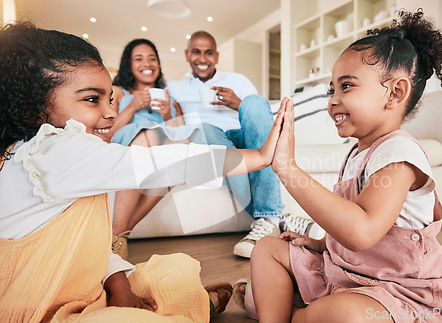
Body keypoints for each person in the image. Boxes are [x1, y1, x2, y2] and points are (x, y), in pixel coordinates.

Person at [0, 22, 286, 322]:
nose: (109, 113)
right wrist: (262, 156)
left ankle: (184, 303)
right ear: (33, 111)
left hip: (77, 287)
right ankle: (197, 306)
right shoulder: (54, 153)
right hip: (34, 310)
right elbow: (169, 163)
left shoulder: (61, 154)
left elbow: (90, 248)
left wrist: (120, 286)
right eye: (91, 99)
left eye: (109, 99)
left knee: (177, 268)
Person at [234, 9, 442, 322]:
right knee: (267, 248)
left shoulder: (400, 154)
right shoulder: (356, 153)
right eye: (331, 89)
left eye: (347, 86)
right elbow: (347, 225)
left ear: (395, 93)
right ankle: (280, 312)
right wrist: (322, 243)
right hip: (344, 274)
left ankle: (288, 311)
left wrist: (287, 168)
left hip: (396, 292)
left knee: (339, 315)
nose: (333, 99)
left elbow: (363, 231)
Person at [167, 31, 322, 258]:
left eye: (208, 52)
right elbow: (173, 124)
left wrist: (237, 103)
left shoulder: (237, 80)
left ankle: (269, 218)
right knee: (203, 129)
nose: (202, 58)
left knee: (254, 101)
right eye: (196, 52)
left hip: (243, 134)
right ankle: (278, 217)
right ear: (187, 55)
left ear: (217, 56)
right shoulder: (174, 87)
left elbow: (259, 117)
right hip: (212, 138)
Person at [110, 38, 195, 260]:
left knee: (179, 153)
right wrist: (133, 106)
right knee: (148, 134)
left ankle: (118, 234)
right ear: (129, 64)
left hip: (158, 149)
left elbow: (181, 137)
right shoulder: (118, 92)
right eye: (139, 58)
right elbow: (107, 130)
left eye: (152, 58)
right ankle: (119, 233)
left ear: (158, 64)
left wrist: (167, 114)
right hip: (132, 142)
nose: (147, 63)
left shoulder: (170, 99)